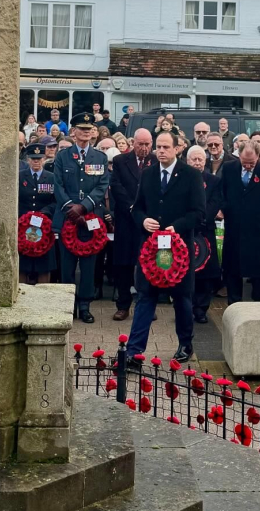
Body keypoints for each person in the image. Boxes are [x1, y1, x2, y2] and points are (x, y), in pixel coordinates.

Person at [126, 131, 206, 362]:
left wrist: (176, 227)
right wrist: (142, 220)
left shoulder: (190, 175)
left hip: (179, 248)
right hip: (151, 248)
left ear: (176, 148)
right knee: (145, 297)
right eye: (157, 147)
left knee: (182, 298)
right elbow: (137, 207)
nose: (160, 151)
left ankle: (185, 344)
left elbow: (199, 213)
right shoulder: (148, 173)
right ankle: (134, 351)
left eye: (165, 147)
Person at [53, 113, 110, 323]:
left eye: (89, 128)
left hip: (89, 218)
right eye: (81, 128)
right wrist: (70, 207)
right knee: (66, 267)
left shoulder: (99, 157)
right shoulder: (63, 156)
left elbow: (102, 185)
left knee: (88, 265)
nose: (86, 132)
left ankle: (85, 306)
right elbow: (57, 185)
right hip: (67, 217)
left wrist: (84, 206)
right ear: (74, 132)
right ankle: (67, 307)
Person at [221, 141, 260, 303]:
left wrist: (256, 210)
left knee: (258, 268)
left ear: (258, 156)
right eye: (244, 162)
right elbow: (223, 192)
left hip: (257, 227)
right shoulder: (229, 168)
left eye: (251, 163)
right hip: (233, 225)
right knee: (232, 267)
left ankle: (259, 303)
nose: (247, 166)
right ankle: (233, 302)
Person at [109, 128, 154, 321]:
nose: (144, 148)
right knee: (123, 264)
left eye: (147, 144)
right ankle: (123, 305)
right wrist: (132, 207)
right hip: (126, 220)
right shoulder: (120, 161)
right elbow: (116, 187)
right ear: (133, 143)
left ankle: (147, 305)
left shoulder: (157, 161)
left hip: (148, 221)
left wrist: (144, 212)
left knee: (148, 265)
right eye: (140, 144)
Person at [187, 145, 220, 323]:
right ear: (187, 160)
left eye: (200, 159)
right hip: (186, 231)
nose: (197, 162)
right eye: (194, 159)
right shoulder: (180, 178)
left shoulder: (213, 181)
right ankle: (187, 306)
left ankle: (201, 309)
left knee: (206, 273)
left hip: (205, 230)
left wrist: (201, 218)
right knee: (187, 270)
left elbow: (215, 203)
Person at [18, 143, 57, 284]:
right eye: (33, 158)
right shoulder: (20, 177)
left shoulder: (52, 178)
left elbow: (56, 201)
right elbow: (15, 201)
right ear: (28, 159)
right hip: (23, 227)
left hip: (44, 226)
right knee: (23, 264)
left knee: (44, 264)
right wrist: (24, 218)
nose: (36, 161)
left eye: (39, 158)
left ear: (44, 159)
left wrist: (44, 213)